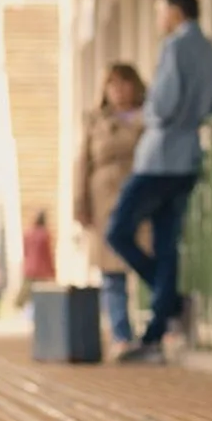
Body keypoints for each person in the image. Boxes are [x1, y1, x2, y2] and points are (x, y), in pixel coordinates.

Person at [107, 0, 212, 364]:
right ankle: (158, 330)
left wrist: (154, 114)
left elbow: (163, 104)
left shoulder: (176, 46)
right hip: (187, 155)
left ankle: (170, 301)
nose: (159, 20)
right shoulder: (208, 49)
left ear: (175, 12)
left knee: (119, 231)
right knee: (166, 243)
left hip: (160, 157)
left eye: (161, 12)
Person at [75, 63, 149, 357]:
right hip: (103, 198)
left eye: (124, 83)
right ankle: (122, 336)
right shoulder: (95, 121)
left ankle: (158, 329)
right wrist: (80, 203)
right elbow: (82, 163)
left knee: (146, 261)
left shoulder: (148, 117)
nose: (119, 90)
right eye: (113, 84)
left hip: (140, 195)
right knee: (111, 273)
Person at [19, 211, 56, 312]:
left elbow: (25, 251)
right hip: (41, 270)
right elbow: (47, 254)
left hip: (29, 268)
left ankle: (27, 311)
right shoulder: (44, 235)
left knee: (27, 292)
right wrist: (52, 271)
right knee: (39, 293)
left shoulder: (28, 233)